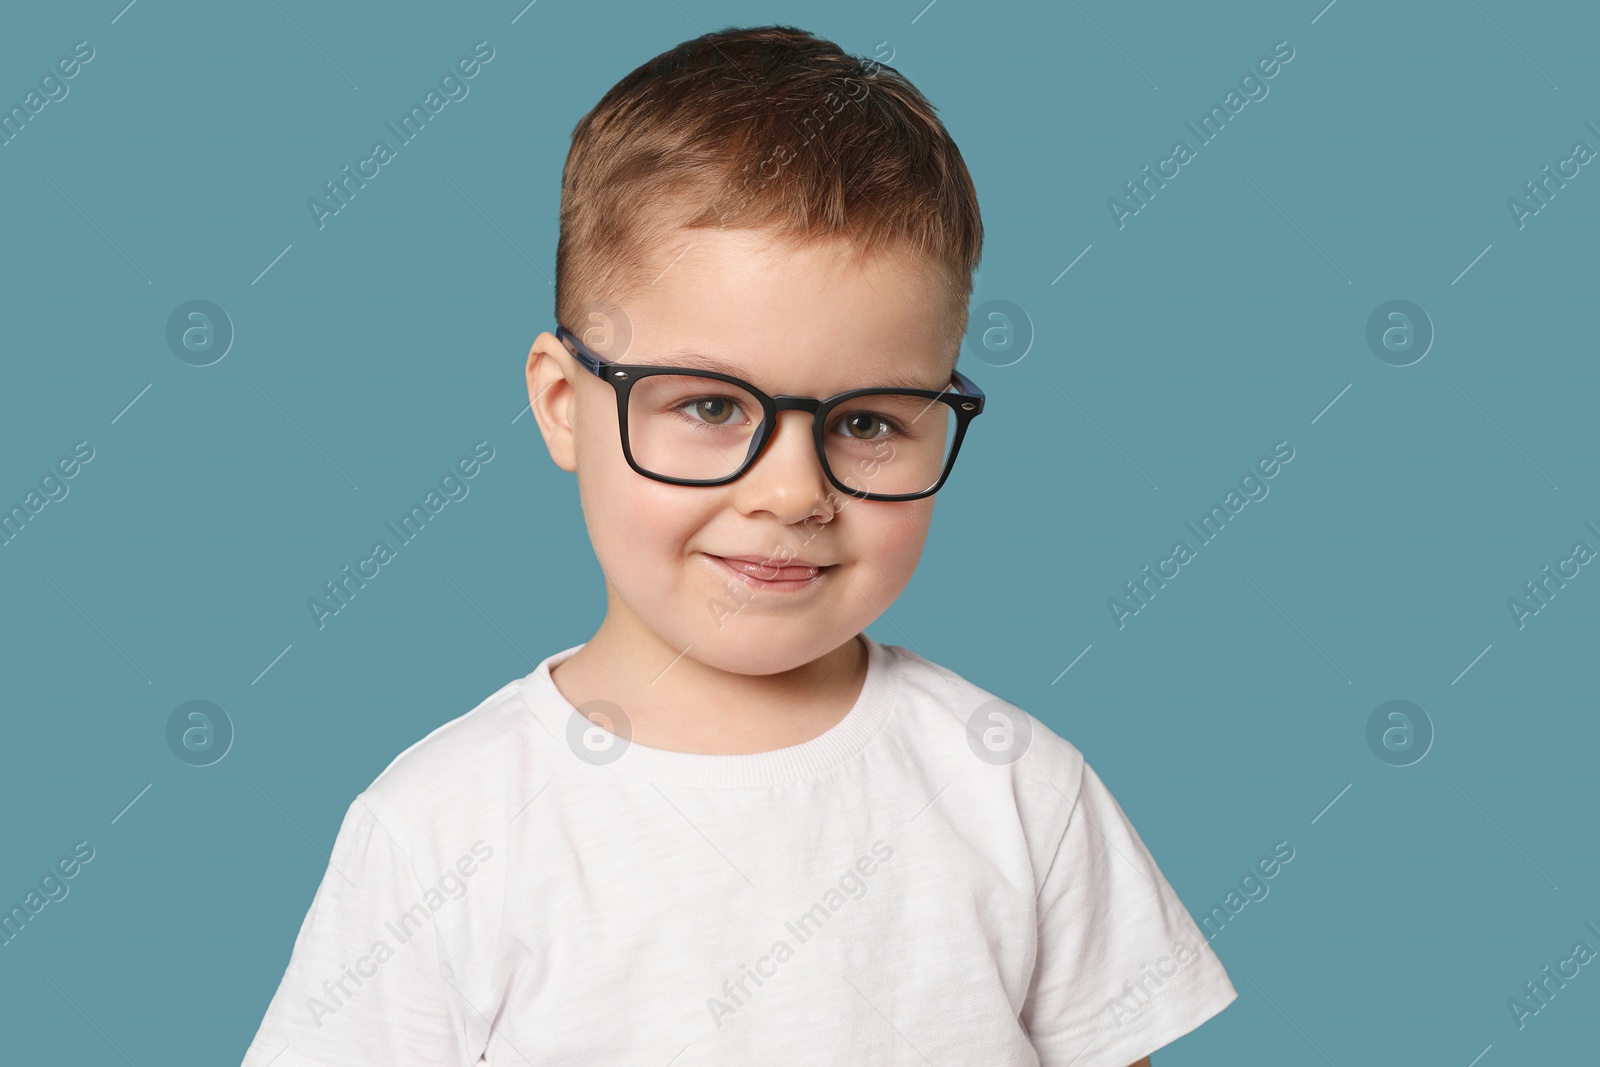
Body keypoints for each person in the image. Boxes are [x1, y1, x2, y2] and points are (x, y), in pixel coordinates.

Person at [239, 24, 1236, 1066]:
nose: (792, 491)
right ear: (563, 403)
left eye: (867, 421)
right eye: (711, 403)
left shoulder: (1020, 790)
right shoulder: (441, 829)